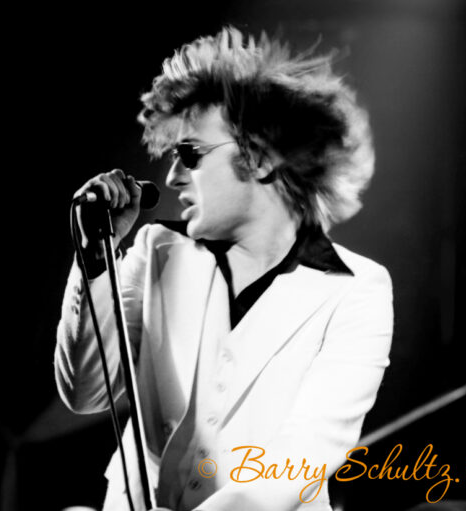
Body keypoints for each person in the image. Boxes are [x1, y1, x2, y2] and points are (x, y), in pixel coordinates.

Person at [54, 26, 393, 511]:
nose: (171, 177)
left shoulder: (357, 291)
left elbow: (298, 460)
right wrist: (94, 255)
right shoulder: (156, 249)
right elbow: (85, 391)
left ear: (259, 157)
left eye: (189, 154)